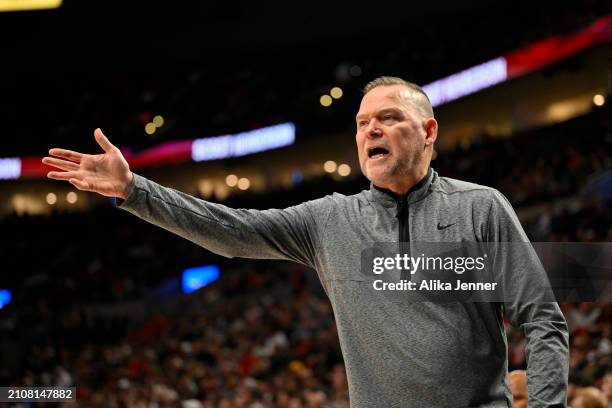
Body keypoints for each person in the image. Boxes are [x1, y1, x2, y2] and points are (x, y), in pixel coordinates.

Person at [43, 76, 569, 407]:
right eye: (362, 123)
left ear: (429, 131)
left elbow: (542, 320)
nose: (371, 131)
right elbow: (232, 232)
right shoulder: (329, 219)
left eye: (388, 118)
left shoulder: (481, 207)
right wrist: (135, 190)